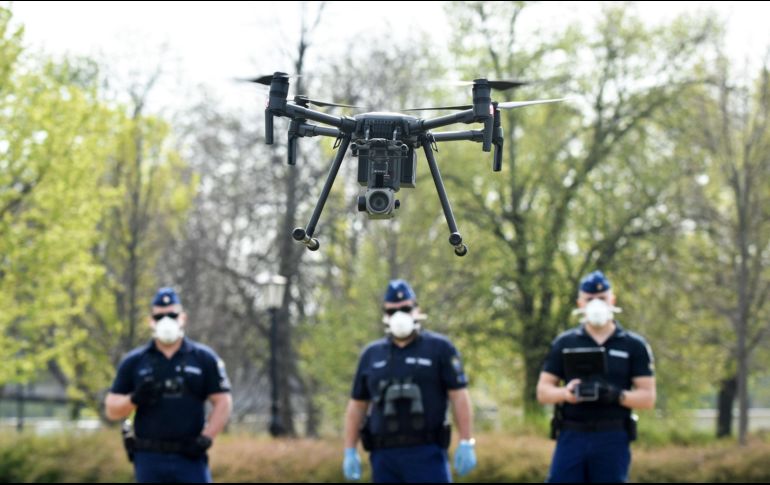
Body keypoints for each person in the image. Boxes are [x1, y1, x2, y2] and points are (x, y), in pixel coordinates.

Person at [342, 279, 477, 483]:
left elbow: (459, 396)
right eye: (392, 311)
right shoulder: (372, 354)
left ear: (416, 310)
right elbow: (357, 405)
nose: (399, 315)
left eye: (405, 308)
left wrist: (466, 441)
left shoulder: (439, 348)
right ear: (385, 315)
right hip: (384, 456)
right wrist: (350, 449)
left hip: (427, 453)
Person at [536, 271, 656, 483]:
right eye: (590, 299)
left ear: (612, 300)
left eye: (601, 299)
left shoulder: (633, 345)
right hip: (572, 433)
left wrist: (616, 395)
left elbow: (648, 397)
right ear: (580, 303)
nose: (596, 304)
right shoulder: (565, 343)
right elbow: (543, 391)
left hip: (612, 435)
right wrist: (566, 393)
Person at [105, 287, 233, 483]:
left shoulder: (203, 358)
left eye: (172, 315)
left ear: (183, 318)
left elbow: (223, 401)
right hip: (149, 457)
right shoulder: (135, 361)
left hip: (190, 456)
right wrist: (134, 399)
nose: (166, 321)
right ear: (150, 321)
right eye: (160, 316)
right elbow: (111, 409)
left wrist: (206, 438)